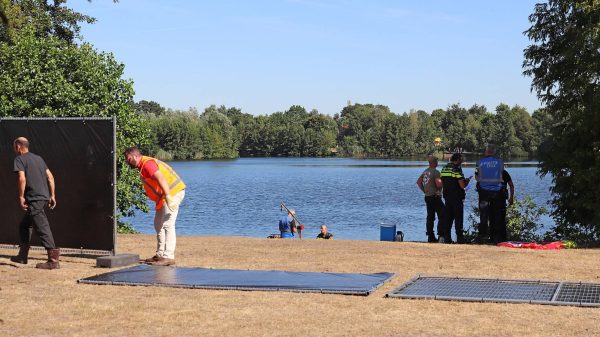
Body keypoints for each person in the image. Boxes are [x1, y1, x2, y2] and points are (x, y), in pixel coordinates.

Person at [125, 147, 186, 266]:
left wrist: (168, 197)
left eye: (129, 159)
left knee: (168, 224)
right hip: (163, 197)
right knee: (158, 224)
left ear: (135, 156)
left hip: (173, 193)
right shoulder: (142, 166)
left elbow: (161, 178)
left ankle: (168, 257)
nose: (128, 162)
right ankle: (160, 255)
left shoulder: (147, 164)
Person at [10, 137, 60, 269]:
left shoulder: (19, 159)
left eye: (14, 146)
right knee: (25, 225)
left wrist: (21, 197)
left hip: (34, 199)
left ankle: (53, 261)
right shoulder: (39, 158)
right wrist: (52, 195)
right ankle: (22, 256)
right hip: (43, 198)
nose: (13, 149)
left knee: (43, 228)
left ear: (19, 147)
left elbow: (22, 178)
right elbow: (50, 177)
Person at [474, 144, 505, 244]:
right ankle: (495, 237)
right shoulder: (500, 162)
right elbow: (501, 174)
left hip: (483, 191)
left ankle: (482, 237)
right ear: (494, 152)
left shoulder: (479, 162)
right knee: (496, 215)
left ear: (486, 152)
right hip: (497, 191)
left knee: (484, 215)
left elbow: (476, 177)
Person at [439, 153, 470, 243]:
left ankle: (447, 238)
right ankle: (460, 239)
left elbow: (442, 182)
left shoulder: (444, 168)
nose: (462, 161)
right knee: (458, 218)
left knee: (448, 218)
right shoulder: (456, 169)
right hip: (457, 197)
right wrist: (467, 181)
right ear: (458, 159)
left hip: (447, 196)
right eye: (461, 159)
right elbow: (462, 185)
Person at [416, 155, 444, 242]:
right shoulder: (435, 172)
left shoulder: (425, 172)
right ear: (432, 162)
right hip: (435, 197)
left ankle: (430, 236)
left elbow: (418, 182)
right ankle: (441, 236)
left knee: (430, 217)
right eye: (436, 161)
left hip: (427, 197)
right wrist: (445, 183)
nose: (437, 163)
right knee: (442, 216)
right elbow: (439, 184)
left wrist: (424, 191)